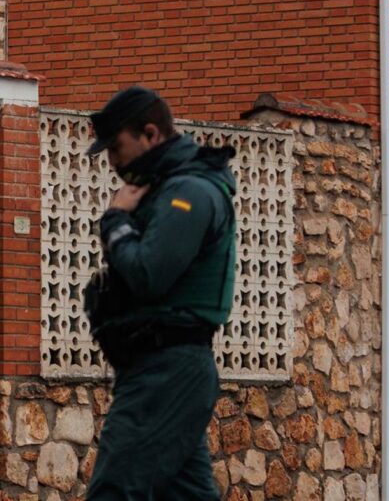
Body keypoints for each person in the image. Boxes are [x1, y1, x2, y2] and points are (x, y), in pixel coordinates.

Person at [83, 86, 237, 500]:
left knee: (114, 492)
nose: (113, 163)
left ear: (150, 134)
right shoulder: (166, 188)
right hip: (158, 367)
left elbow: (149, 274)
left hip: (167, 369)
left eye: (117, 148)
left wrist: (115, 221)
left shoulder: (189, 193)